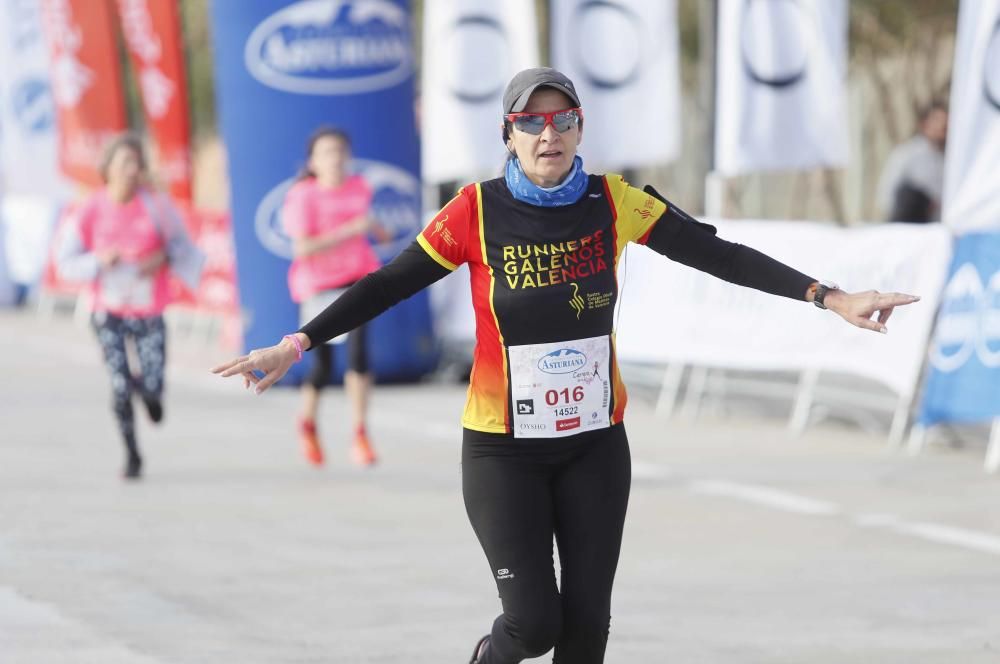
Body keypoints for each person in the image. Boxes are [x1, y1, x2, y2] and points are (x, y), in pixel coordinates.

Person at [212, 68, 920, 663]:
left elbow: (717, 253)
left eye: (563, 121)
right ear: (509, 135)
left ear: (579, 129)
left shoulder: (614, 202)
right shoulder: (474, 212)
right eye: (532, 123)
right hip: (502, 451)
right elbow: (386, 282)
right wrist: (297, 342)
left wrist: (828, 296)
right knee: (533, 624)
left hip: (593, 445)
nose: (548, 135)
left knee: (586, 633)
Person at [58, 133, 202, 479]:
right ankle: (132, 454)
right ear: (107, 169)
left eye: (136, 164)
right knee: (120, 387)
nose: (131, 170)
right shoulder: (91, 208)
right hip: (107, 311)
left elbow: (185, 248)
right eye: (124, 163)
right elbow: (65, 261)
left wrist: (162, 258)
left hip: (149, 309)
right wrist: (97, 261)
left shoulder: (157, 206)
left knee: (152, 385)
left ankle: (150, 394)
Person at [282, 127, 380, 467]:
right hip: (318, 286)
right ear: (313, 161)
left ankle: (360, 432)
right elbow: (302, 247)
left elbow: (370, 228)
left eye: (340, 150)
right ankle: (308, 424)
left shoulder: (360, 188)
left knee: (359, 355)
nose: (335, 158)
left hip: (358, 281)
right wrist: (347, 231)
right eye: (326, 152)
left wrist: (374, 229)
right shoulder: (302, 195)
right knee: (321, 366)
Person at [877, 101, 948, 223]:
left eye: (945, 122)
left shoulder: (947, 159)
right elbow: (887, 193)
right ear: (924, 124)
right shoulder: (907, 154)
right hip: (908, 225)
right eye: (937, 121)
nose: (942, 126)